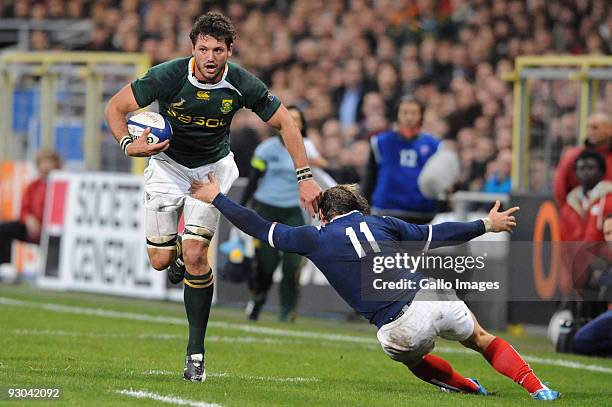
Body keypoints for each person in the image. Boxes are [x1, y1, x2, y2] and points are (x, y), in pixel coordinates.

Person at [191, 174, 560, 401]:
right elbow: (439, 234)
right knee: (480, 338)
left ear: (323, 214)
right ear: (358, 208)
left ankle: (467, 387)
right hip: (431, 297)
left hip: (397, 327)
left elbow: (257, 225)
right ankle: (537, 388)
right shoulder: (383, 223)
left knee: (414, 360)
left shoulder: (313, 238)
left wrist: (218, 197)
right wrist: (485, 224)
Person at [104, 12, 322, 382]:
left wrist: (305, 177)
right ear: (193, 48)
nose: (209, 57)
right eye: (203, 48)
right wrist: (129, 145)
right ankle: (173, 260)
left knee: (195, 254)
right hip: (167, 165)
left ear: (229, 51)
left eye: (217, 50)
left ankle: (195, 353)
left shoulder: (239, 83)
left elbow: (287, 122)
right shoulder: (167, 75)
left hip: (212, 171)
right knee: (160, 261)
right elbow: (115, 108)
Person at [240, 105, 323, 322]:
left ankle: (286, 313)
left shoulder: (306, 149)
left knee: (293, 265)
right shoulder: (265, 149)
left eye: (297, 119)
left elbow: (325, 169)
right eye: (289, 118)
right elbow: (252, 180)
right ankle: (257, 301)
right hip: (266, 209)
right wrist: (240, 209)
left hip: (292, 211)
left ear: (302, 124)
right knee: (266, 264)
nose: (293, 123)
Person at [363, 95, 443, 224]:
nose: (409, 117)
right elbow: (370, 179)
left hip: (422, 214)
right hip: (386, 211)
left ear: (421, 116)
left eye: (414, 113)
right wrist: (362, 208)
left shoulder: (434, 145)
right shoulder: (381, 142)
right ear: (397, 115)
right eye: (404, 112)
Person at [0, 149, 62, 266]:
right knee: (4, 229)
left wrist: (42, 223)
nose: (46, 167)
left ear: (56, 164)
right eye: (42, 163)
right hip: (32, 229)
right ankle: (5, 265)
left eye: (49, 162)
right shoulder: (33, 186)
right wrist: (28, 219)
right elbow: (24, 208)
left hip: (52, 230)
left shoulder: (62, 185)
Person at [554, 112, 612, 207]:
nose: (591, 131)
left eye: (595, 127)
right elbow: (560, 190)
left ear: (609, 130)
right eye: (588, 127)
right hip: (580, 214)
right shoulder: (573, 156)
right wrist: (571, 210)